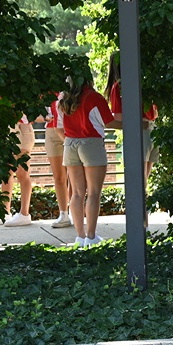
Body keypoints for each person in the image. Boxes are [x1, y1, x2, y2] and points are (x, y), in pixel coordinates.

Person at [59, 74, 120, 247]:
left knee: (77, 193)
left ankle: (80, 236)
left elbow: (61, 125)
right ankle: (91, 237)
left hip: (69, 144)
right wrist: (135, 123)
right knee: (93, 193)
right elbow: (109, 122)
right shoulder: (94, 97)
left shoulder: (64, 99)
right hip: (91, 143)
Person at [105, 51, 159, 226]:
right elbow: (155, 113)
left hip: (138, 131)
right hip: (153, 129)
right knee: (145, 178)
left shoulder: (118, 87)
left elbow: (119, 118)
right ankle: (144, 219)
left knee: (138, 179)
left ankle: (140, 220)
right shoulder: (144, 83)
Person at [42, 95, 73, 229]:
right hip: (52, 129)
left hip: (71, 127)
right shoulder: (44, 89)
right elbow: (38, 114)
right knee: (59, 176)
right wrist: (44, 117)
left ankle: (75, 211)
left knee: (73, 175)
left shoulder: (70, 86)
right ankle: (63, 214)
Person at [2, 115, 34, 227]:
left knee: (22, 174)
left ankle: (24, 214)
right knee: (7, 172)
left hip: (22, 126)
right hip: (11, 124)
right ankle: (5, 213)